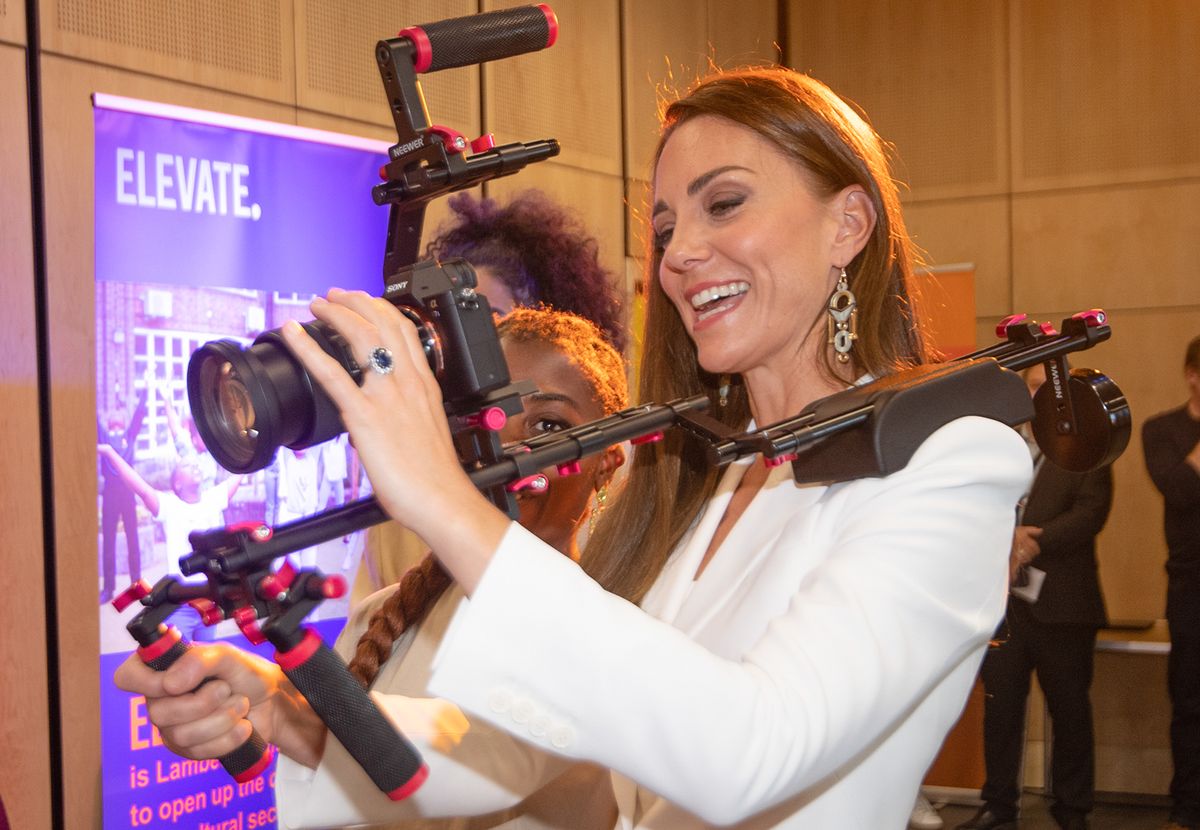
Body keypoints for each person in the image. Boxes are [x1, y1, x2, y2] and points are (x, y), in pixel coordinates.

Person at [115, 67, 1031, 828]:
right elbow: (509, 750)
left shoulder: (955, 464)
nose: (681, 253)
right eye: (668, 227)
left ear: (849, 224)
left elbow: (751, 751)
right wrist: (284, 707)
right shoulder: (705, 479)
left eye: (725, 205)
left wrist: (439, 490)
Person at [353, 189, 627, 602]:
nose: (462, 345)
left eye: (484, 320)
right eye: (447, 323)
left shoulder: (593, 487)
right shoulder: (408, 485)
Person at [956, 364, 1113, 830]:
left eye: (1052, 387)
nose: (1044, 395)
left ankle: (1072, 810)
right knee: (1001, 709)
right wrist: (1003, 535)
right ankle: (998, 806)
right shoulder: (1001, 447)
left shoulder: (1088, 447)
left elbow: (1091, 512)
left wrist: (1032, 540)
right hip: (1005, 605)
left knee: (1069, 712)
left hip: (1065, 606)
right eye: (1035, 387)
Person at [1142, 335, 1200, 830]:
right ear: (1193, 375)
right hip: (1190, 588)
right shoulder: (1161, 430)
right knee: (1190, 703)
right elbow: (1177, 491)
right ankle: (1187, 808)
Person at [97, 389, 148, 604]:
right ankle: (108, 588)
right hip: (110, 494)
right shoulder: (105, 438)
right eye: (112, 417)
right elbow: (94, 421)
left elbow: (138, 415)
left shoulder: (129, 436)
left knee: (132, 538)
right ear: (109, 422)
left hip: (127, 492)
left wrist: (144, 392)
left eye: (119, 416)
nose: (116, 416)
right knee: (108, 541)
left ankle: (137, 582)